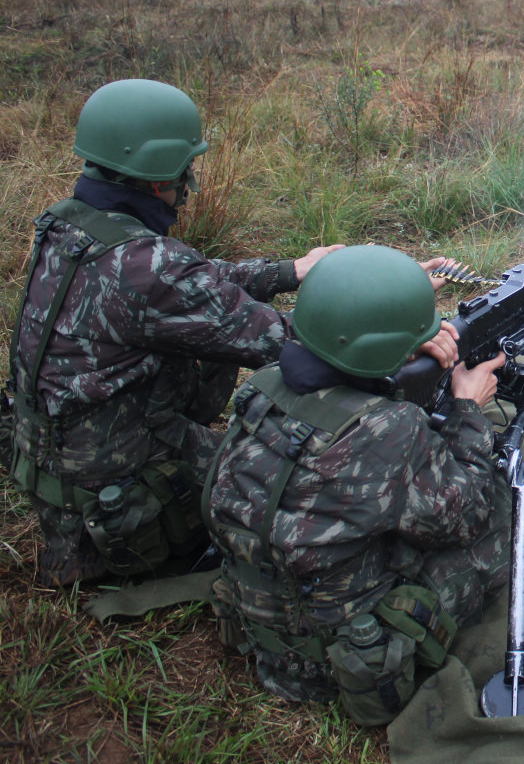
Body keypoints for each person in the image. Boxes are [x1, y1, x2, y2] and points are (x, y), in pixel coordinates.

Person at [204, 245, 524, 717]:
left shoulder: (262, 389)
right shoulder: (383, 433)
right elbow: (465, 514)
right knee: (520, 479)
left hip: (265, 628)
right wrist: (467, 408)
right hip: (350, 656)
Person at [5, 79, 353, 586]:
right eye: (185, 170)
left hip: (61, 474)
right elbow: (287, 343)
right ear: (157, 178)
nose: (188, 185)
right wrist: (385, 320)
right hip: (118, 508)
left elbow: (192, 283)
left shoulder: (68, 227)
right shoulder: (150, 267)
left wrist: (289, 272)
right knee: (309, 484)